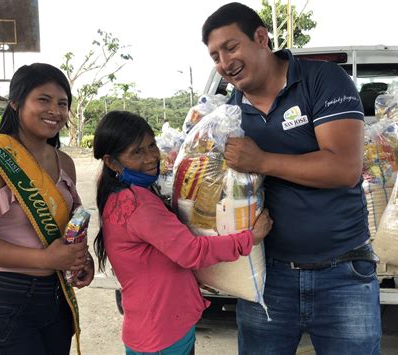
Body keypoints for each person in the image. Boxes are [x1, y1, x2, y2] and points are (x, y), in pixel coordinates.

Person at [201, 3, 381, 354]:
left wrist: (262, 160)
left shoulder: (323, 80)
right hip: (267, 277)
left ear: (261, 37)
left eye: (231, 47)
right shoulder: (228, 116)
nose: (224, 63)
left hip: (343, 272)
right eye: (214, 56)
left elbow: (344, 168)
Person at [92, 110, 273, 355]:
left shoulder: (120, 194)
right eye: (137, 152)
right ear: (112, 162)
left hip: (151, 326)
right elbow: (191, 252)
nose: (151, 157)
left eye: (151, 145)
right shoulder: (136, 203)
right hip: (162, 333)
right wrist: (250, 238)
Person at [0, 63, 94, 355]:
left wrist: (80, 258)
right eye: (43, 99)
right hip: (8, 300)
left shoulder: (65, 163)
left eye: (62, 103)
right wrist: (46, 258)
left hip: (56, 296)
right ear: (15, 103)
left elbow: (68, 224)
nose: (55, 110)